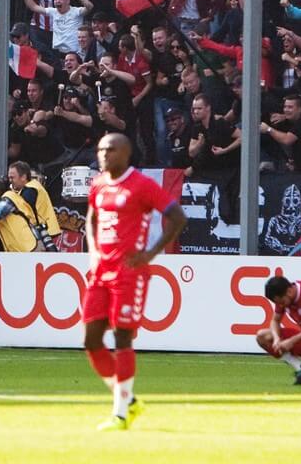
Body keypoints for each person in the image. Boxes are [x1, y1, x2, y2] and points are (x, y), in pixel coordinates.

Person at [82, 133, 187, 431]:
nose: (104, 154)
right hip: (101, 270)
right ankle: (127, 400)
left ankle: (120, 413)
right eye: (101, 149)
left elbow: (178, 216)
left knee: (122, 338)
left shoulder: (142, 185)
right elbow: (91, 217)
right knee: (90, 340)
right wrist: (93, 254)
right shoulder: (99, 184)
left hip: (129, 272)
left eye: (111, 150)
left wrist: (151, 252)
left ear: (126, 153)